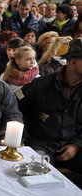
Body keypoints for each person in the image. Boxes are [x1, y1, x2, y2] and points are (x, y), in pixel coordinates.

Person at [18, 38, 82, 173]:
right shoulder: (39, 85)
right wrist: (23, 134)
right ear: (73, 62)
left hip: (72, 145)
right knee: (36, 171)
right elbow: (15, 107)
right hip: (41, 144)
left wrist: (76, 145)